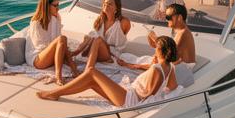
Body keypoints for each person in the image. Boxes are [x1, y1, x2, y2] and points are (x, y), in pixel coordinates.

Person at [38, 35, 179, 108]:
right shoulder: (170, 67)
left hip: (130, 99)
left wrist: (135, 90)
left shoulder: (156, 68)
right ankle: (57, 94)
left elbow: (148, 95)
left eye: (156, 48)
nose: (154, 49)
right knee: (91, 83)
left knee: (92, 71)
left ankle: (53, 93)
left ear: (160, 50)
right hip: (129, 95)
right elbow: (172, 87)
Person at [116, 2, 196, 86]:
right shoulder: (180, 32)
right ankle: (130, 65)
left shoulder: (183, 34)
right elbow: (166, 50)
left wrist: (155, 38)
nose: (166, 19)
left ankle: (130, 65)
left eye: (168, 17)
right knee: (128, 59)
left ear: (179, 18)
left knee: (130, 67)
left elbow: (169, 52)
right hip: (175, 64)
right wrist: (154, 42)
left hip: (181, 69)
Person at [26, 0, 77, 84]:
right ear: (47, 6)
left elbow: (58, 42)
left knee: (63, 41)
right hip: (37, 59)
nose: (58, 8)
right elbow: (40, 46)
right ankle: (59, 76)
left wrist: (62, 50)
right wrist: (59, 50)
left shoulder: (57, 17)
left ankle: (74, 70)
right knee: (62, 39)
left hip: (50, 55)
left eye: (58, 5)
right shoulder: (36, 22)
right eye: (55, 5)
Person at [71, 0, 131, 70]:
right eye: (105, 3)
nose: (106, 5)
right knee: (89, 37)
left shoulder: (123, 22)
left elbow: (122, 38)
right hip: (97, 50)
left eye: (110, 4)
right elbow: (90, 37)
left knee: (98, 40)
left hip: (113, 55)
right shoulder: (99, 20)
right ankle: (76, 53)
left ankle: (88, 69)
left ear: (116, 7)